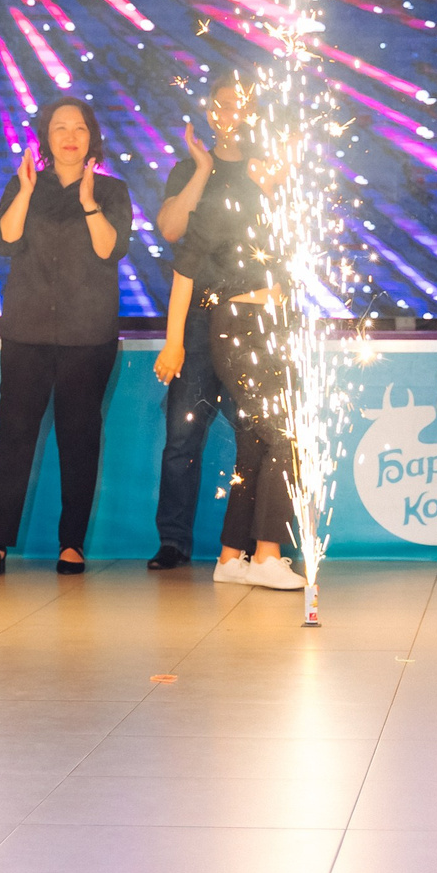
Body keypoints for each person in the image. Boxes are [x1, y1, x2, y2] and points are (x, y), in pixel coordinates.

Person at [153, 78, 308, 591]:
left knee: (253, 443)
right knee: (283, 435)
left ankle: (231, 555)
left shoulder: (278, 213)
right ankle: (266, 555)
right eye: (273, 158)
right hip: (234, 327)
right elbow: (184, 268)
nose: (278, 163)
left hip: (274, 328)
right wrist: (175, 339)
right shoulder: (223, 204)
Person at [0, 98, 134, 578]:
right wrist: (23, 192)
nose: (70, 135)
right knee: (14, 435)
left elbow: (112, 249)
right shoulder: (22, 183)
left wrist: (87, 203)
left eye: (79, 128)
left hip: (89, 336)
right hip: (27, 331)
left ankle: (72, 544)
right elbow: (3, 242)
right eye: (60, 127)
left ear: (91, 137)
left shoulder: (110, 190)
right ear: (45, 136)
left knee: (79, 436)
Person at [147, 79, 245, 572]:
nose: (235, 113)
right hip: (199, 315)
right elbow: (170, 229)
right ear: (211, 112)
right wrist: (204, 168)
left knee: (258, 435)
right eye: (226, 104)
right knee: (183, 437)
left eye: (245, 105)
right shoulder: (189, 169)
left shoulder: (268, 170)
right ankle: (173, 541)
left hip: (254, 320)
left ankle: (251, 540)